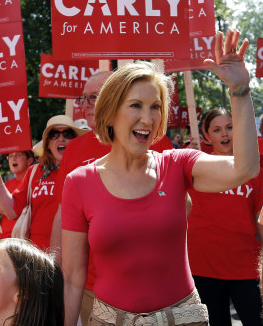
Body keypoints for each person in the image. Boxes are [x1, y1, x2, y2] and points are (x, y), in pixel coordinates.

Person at [62, 30, 258, 326]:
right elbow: (73, 279)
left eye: (156, 107)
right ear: (110, 112)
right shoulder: (79, 182)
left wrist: (240, 92)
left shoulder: (178, 165)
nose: (148, 118)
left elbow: (245, 169)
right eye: (136, 105)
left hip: (184, 319)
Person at [50, 71, 174, 325]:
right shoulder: (74, 149)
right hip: (92, 288)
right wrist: (54, 270)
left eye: (94, 96)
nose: (87, 105)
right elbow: (63, 215)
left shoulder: (157, 144)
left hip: (153, 291)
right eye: (84, 98)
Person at [187, 108, 263, 326]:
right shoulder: (194, 167)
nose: (225, 134)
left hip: (246, 267)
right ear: (207, 135)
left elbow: (262, 221)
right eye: (217, 129)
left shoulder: (253, 169)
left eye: (230, 127)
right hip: (203, 267)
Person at [0, 115, 86, 251]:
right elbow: (12, 211)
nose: (61, 138)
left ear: (75, 141)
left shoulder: (85, 171)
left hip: (75, 251)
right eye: (54, 134)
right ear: (47, 143)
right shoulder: (35, 172)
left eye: (67, 134)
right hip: (38, 254)